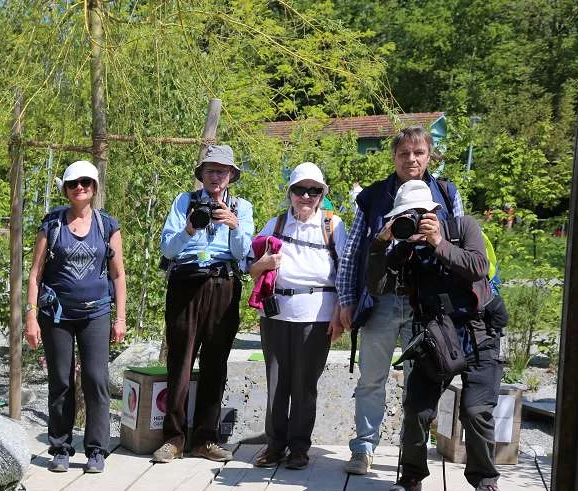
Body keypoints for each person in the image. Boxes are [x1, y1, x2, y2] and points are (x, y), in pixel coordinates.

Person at [335, 127, 464, 475]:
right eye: (404, 153)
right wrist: (347, 299)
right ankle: (363, 449)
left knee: (418, 383)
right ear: (394, 157)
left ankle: (412, 458)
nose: (412, 159)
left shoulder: (447, 193)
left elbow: (461, 245)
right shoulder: (374, 196)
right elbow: (352, 253)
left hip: (425, 302)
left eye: (419, 152)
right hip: (381, 299)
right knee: (371, 378)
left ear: (428, 156)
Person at [366, 180, 503, 491]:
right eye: (406, 215)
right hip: (435, 337)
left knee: (475, 410)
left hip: (478, 333)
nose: (413, 219)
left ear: (435, 212)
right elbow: (377, 285)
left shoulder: (462, 228)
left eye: (419, 214)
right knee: (417, 409)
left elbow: (478, 268)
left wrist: (438, 241)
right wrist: (379, 245)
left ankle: (486, 481)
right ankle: (411, 476)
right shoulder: (406, 248)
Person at [151, 144, 254, 463]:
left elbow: (244, 254)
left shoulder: (242, 207)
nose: (216, 176)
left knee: (216, 363)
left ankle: (206, 438)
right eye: (211, 170)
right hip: (186, 282)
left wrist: (233, 226)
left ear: (231, 176)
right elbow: (167, 250)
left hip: (223, 283)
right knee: (180, 362)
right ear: (202, 175)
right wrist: (189, 228)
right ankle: (174, 438)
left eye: (222, 171)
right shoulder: (184, 202)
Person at [24, 160, 127, 474]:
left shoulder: (107, 225)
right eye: (73, 184)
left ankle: (96, 449)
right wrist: (30, 317)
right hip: (56, 315)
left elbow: (119, 275)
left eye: (86, 182)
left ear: (94, 188)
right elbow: (35, 274)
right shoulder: (52, 225)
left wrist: (120, 317)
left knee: (96, 380)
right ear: (66, 190)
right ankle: (60, 447)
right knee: (61, 381)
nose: (80, 188)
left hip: (96, 312)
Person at [248, 163, 345, 469]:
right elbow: (250, 268)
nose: (306, 196)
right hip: (277, 312)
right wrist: (264, 263)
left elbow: (346, 274)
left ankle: (300, 448)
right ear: (290, 193)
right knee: (277, 383)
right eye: (300, 190)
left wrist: (340, 315)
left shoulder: (334, 225)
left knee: (305, 384)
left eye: (314, 191)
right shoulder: (275, 224)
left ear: (322, 195)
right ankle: (275, 445)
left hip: (317, 314)